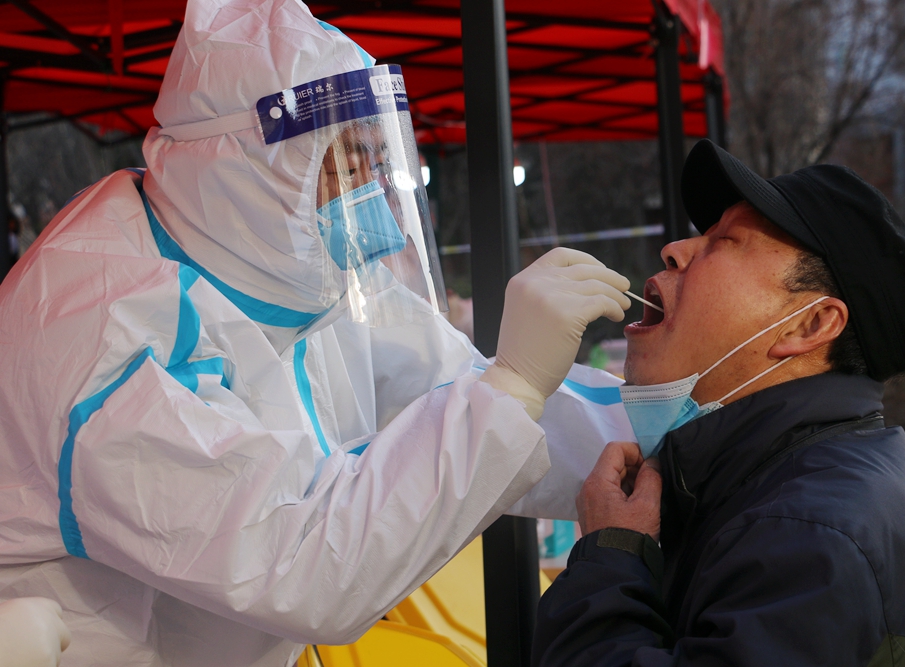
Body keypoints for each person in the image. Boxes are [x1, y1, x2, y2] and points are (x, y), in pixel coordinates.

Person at [0, 0, 636, 664]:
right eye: (349, 162)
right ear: (253, 161)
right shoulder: (106, 332)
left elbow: (461, 402)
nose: (371, 191)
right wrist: (515, 385)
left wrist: (676, 428)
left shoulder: (273, 263)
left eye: (375, 159)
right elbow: (302, 558)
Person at [532, 139, 905, 666]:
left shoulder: (808, 536)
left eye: (724, 240)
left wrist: (611, 554)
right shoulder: (796, 484)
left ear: (811, 324)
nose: (675, 250)